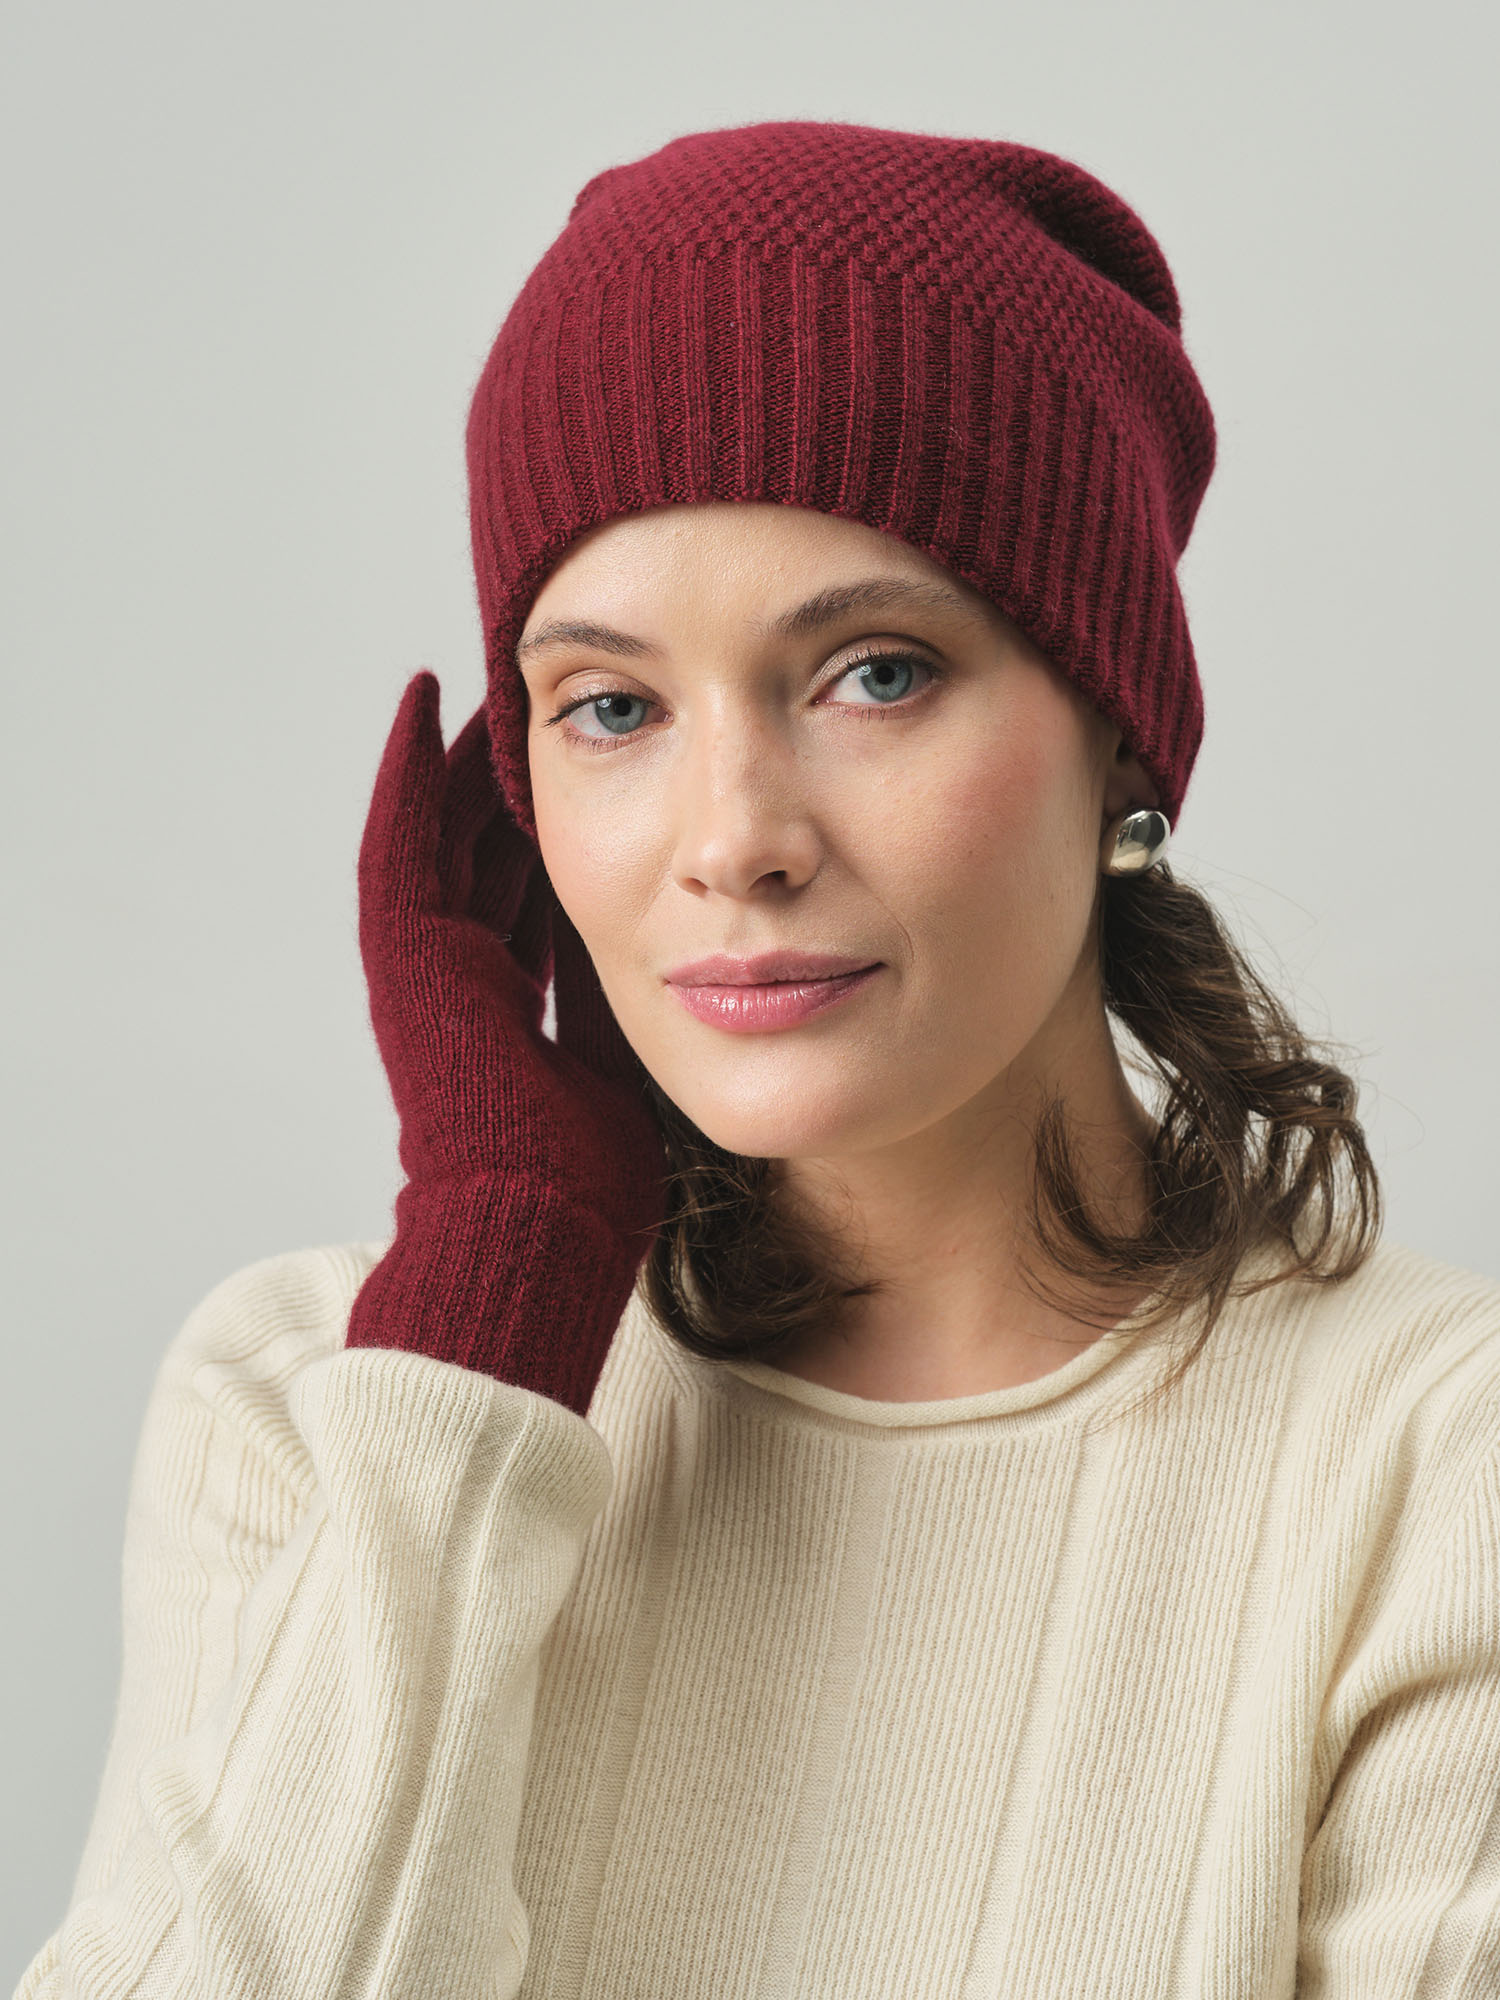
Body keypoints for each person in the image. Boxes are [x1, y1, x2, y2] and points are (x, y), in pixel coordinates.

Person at [15, 120, 1500, 1999]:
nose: (733, 840)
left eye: (876, 672)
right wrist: (497, 1282)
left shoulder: (1433, 1458)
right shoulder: (320, 1403)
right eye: (610, 707)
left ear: (1120, 728)